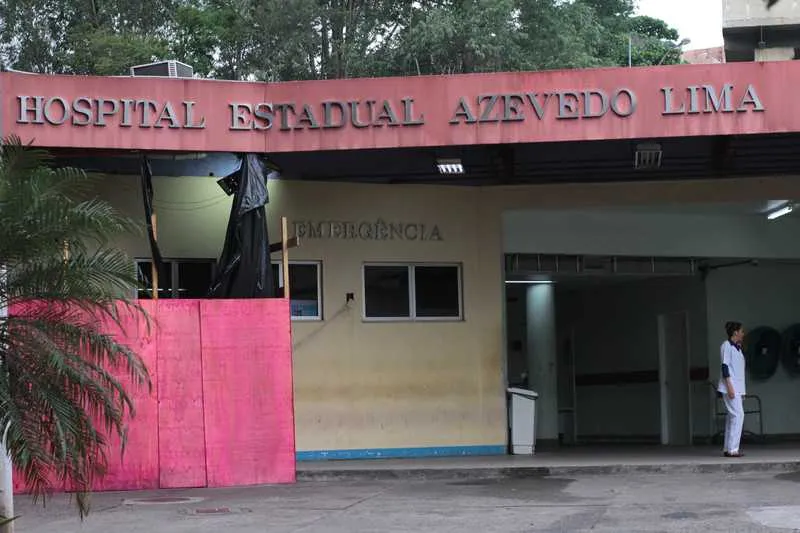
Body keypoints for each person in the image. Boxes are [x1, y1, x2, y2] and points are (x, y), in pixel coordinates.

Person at [718, 321, 746, 458]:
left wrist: (742, 392)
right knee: (738, 415)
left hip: (737, 389)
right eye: (741, 331)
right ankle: (733, 449)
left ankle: (727, 448)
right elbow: (725, 367)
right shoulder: (726, 346)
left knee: (731, 418)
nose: (743, 334)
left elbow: (739, 372)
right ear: (735, 332)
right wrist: (730, 387)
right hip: (730, 388)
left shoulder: (738, 348)